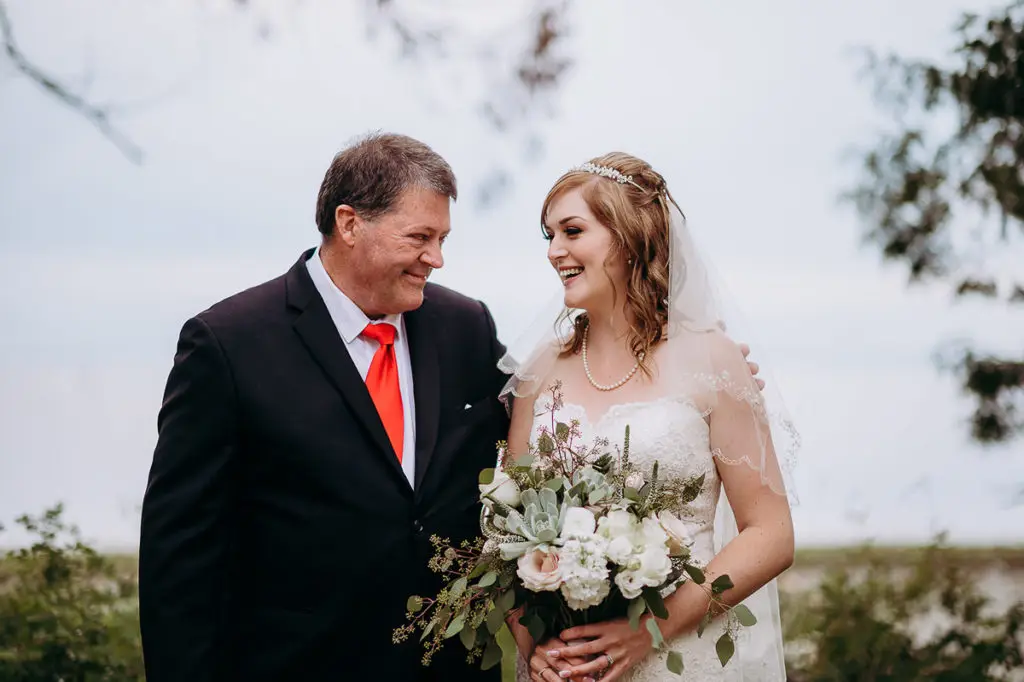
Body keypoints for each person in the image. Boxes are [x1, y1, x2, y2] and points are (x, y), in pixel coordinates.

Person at [138, 132, 765, 681]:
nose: (437, 259)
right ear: (350, 223)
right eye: (421, 237)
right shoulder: (228, 344)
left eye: (443, 238)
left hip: (449, 671)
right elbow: (179, 556)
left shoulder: (462, 328)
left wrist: (692, 376)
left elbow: (559, 442)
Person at [502, 153, 798, 681]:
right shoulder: (540, 370)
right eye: (548, 235)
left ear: (627, 235)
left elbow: (771, 533)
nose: (554, 252)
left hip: (677, 657)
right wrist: (533, 646)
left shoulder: (712, 360)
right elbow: (509, 532)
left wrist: (651, 631)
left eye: (572, 231)